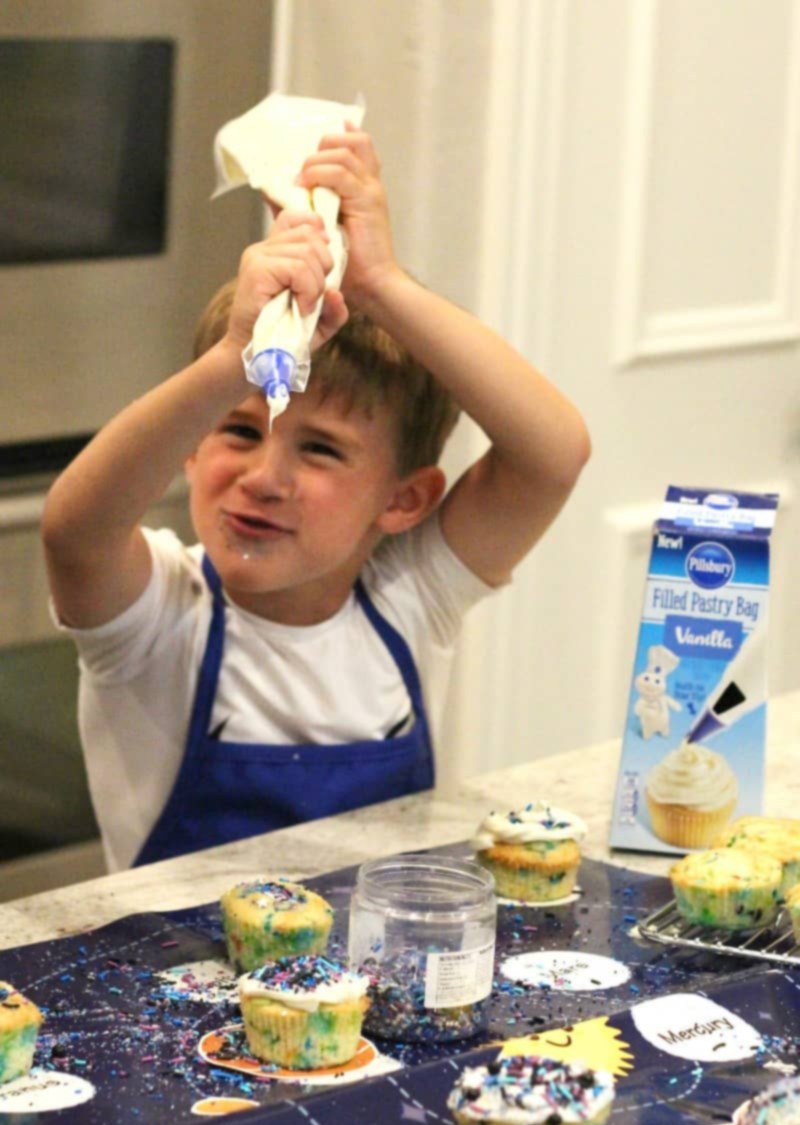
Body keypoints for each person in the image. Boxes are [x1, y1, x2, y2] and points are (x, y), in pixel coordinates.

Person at [42, 128, 590, 871]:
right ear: (194, 443)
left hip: (378, 973)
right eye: (239, 429)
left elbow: (552, 454)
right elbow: (76, 531)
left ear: (403, 501)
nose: (264, 477)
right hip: (169, 978)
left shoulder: (411, 596)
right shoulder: (160, 613)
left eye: (321, 448)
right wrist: (230, 363)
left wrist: (380, 286)